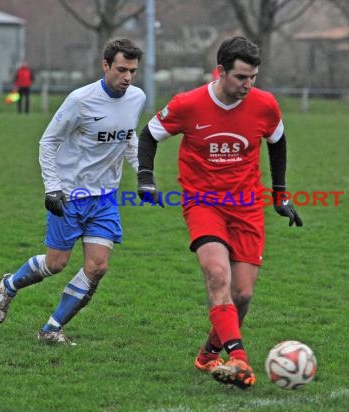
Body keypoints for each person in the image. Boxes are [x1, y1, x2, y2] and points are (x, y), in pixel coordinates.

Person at [136, 36, 303, 389]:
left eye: (253, 77)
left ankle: (209, 352)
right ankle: (239, 359)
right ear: (221, 71)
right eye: (241, 77)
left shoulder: (265, 105)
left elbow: (278, 143)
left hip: (246, 206)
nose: (248, 85)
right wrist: (146, 179)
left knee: (242, 295)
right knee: (216, 275)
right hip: (203, 203)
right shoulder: (189, 104)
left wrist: (280, 195)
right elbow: (148, 136)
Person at [0, 39, 146, 344]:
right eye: (121, 69)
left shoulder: (136, 98)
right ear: (105, 66)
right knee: (55, 264)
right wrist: (53, 189)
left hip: (104, 198)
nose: (127, 77)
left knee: (98, 266)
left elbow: (128, 138)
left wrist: (143, 172)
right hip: (70, 195)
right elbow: (47, 142)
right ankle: (9, 284)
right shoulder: (81, 100)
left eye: (133, 71)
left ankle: (51, 329)